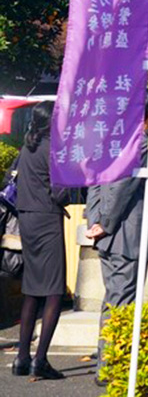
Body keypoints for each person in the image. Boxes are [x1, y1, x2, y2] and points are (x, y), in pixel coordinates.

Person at [84, 142, 148, 378]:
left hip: (109, 237)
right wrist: (104, 223)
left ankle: (110, 364)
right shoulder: (139, 144)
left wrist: (95, 221)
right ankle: (111, 367)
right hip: (125, 236)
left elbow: (95, 182)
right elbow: (122, 187)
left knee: (114, 301)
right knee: (121, 305)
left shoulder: (109, 141)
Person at [12, 100, 70, 379]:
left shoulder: (27, 148)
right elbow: (60, 193)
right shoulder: (53, 150)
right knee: (54, 291)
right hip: (48, 219)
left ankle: (21, 358)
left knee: (32, 289)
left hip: (27, 219)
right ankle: (41, 359)